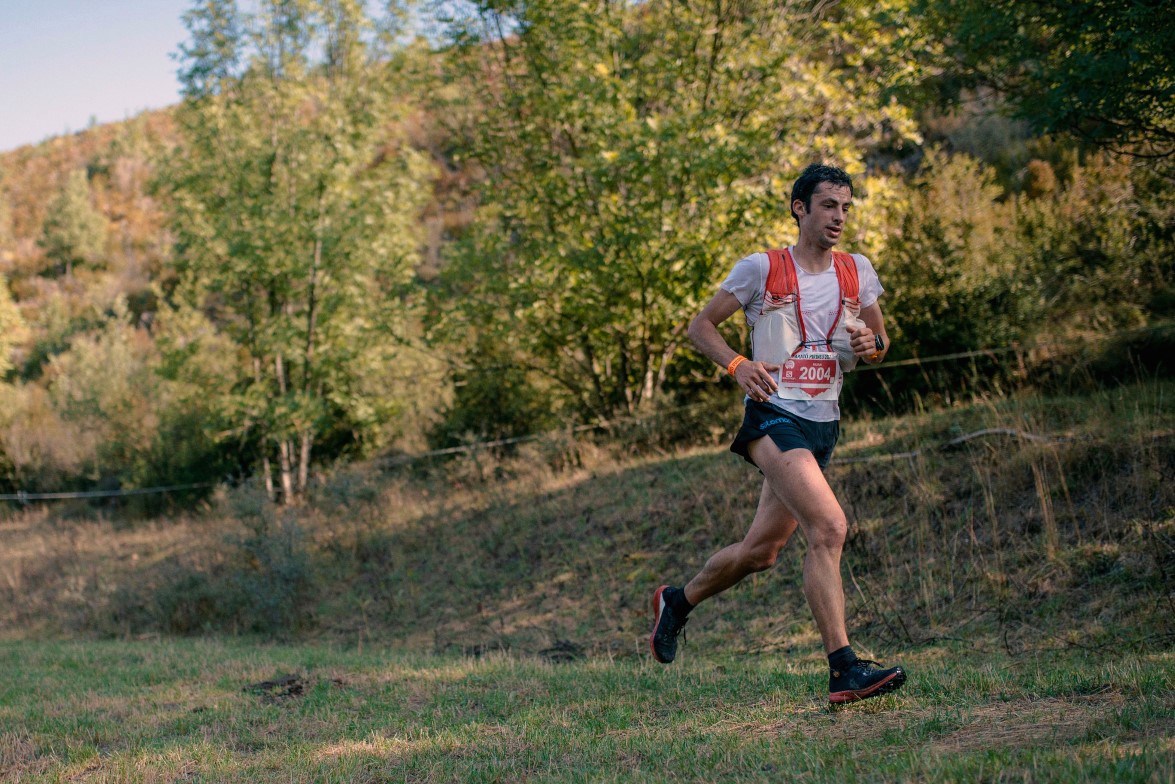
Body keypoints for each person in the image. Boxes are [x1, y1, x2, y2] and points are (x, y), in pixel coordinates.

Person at [650, 163, 906, 705]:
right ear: (800, 208)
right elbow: (700, 327)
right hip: (772, 417)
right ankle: (844, 669)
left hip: (823, 423)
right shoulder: (761, 268)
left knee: (761, 551)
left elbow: (882, 340)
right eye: (828, 206)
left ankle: (678, 601)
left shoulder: (857, 271)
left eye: (845, 207)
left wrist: (871, 348)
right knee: (830, 526)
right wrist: (737, 365)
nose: (838, 217)